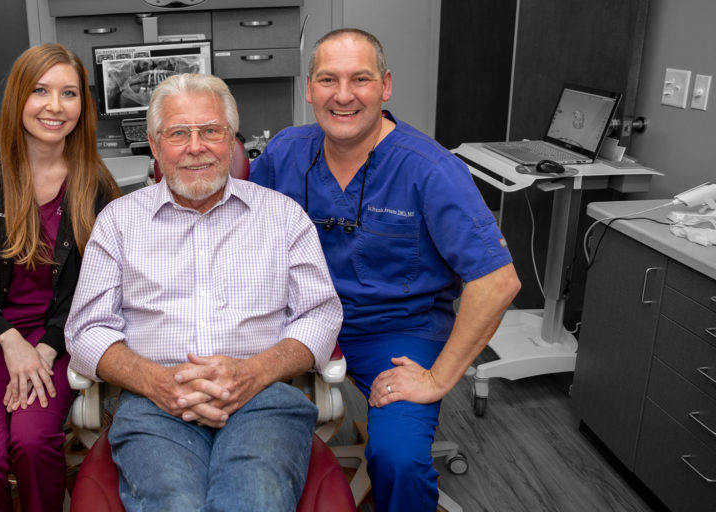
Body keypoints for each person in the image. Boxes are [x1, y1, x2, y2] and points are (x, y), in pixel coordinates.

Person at [250, 28, 521, 512]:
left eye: (361, 79)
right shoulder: (286, 153)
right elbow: (236, 219)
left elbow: (498, 280)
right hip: (298, 322)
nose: (344, 95)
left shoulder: (430, 170)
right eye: (328, 80)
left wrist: (438, 379)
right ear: (309, 89)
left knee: (397, 459)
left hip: (396, 331)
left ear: (386, 86)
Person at [65, 73, 343, 511]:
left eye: (211, 131)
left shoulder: (283, 217)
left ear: (232, 141)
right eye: (178, 133)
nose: (196, 147)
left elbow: (321, 316)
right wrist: (157, 382)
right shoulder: (118, 223)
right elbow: (86, 331)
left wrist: (254, 372)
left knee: (254, 499)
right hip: (154, 402)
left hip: (264, 396)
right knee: (176, 503)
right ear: (155, 147)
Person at [0, 43, 120, 512]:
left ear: (84, 105)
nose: (55, 107)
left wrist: (48, 344)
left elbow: (99, 283)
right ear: (18, 97)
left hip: (57, 339)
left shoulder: (93, 183)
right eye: (40, 91)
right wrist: (8, 339)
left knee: (35, 446)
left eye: (69, 93)